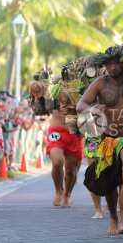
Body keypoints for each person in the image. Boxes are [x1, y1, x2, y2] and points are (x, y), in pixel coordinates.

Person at [78, 45, 123, 235]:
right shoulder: (100, 82)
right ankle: (113, 218)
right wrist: (93, 109)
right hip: (109, 139)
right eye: (109, 63)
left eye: (117, 62)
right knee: (108, 180)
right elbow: (80, 104)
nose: (113, 66)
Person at [46, 77, 83, 208]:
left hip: (73, 131)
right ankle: (58, 191)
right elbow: (50, 82)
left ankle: (67, 194)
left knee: (70, 169)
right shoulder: (54, 92)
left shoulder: (79, 90)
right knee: (57, 163)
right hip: (56, 132)